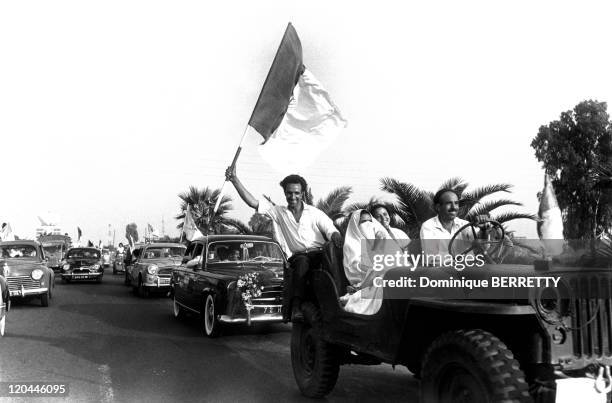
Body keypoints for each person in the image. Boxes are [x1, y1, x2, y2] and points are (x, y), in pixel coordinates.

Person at [225, 165, 342, 321]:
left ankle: (342, 298)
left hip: (319, 253)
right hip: (299, 256)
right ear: (285, 193)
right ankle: (296, 307)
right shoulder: (278, 212)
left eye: (296, 193)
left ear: (303, 194)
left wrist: (335, 235)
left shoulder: (314, 212)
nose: (292, 197)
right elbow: (253, 202)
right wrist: (234, 180)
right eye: (289, 193)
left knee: (335, 260)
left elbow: (329, 228)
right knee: (302, 263)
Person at [340, 209, 400, 315]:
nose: (368, 224)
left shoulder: (379, 238)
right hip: (366, 280)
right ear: (355, 225)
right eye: (363, 222)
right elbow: (355, 270)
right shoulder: (352, 244)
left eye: (370, 221)